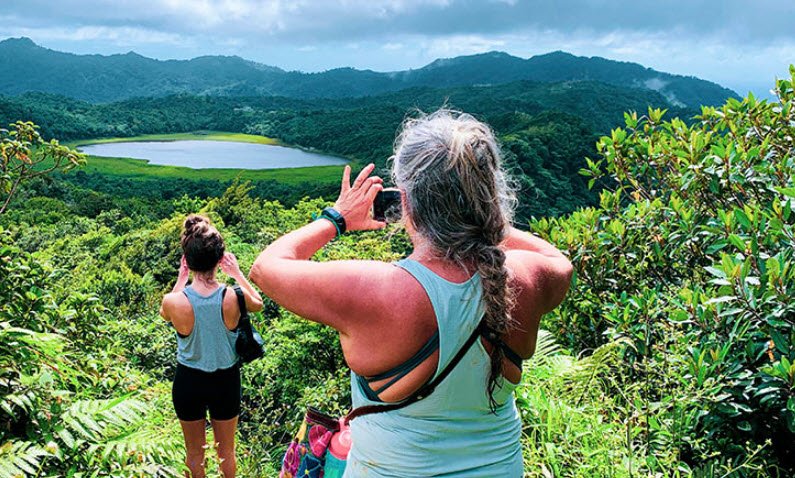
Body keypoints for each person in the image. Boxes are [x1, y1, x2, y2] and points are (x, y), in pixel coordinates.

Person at [250, 110, 572, 477]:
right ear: (488, 197)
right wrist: (483, 221)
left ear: (405, 201)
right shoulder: (528, 278)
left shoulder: (378, 290)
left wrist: (336, 218)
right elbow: (556, 259)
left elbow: (266, 266)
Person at [160, 214, 263, 478]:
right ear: (220, 259)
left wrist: (182, 278)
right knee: (226, 452)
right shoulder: (233, 297)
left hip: (188, 381)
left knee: (194, 453)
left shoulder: (173, 302)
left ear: (187, 260)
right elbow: (258, 302)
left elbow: (164, 312)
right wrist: (236, 272)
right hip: (225, 381)